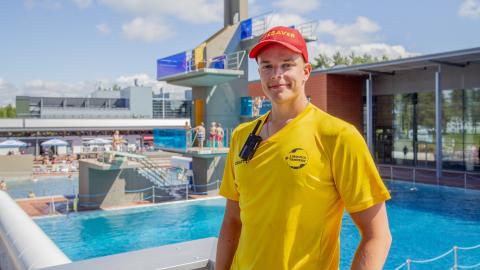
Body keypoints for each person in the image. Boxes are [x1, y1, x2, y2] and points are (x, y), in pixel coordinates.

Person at [216, 26, 392, 270]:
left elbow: (377, 236)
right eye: (267, 66)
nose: (276, 74)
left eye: (287, 64)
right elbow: (233, 220)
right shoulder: (241, 137)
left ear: (306, 71)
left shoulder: (338, 136)